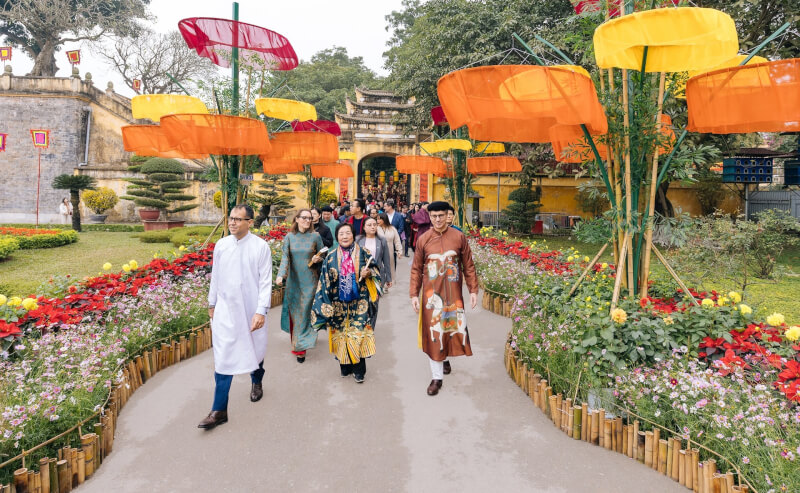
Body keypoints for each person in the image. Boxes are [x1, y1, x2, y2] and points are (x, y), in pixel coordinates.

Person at [200, 204, 272, 430]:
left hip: (251, 309)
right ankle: (219, 409)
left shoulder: (261, 247)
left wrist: (261, 310)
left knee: (255, 349)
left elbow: (265, 281)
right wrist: (212, 303)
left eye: (238, 219)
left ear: (250, 222)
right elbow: (216, 277)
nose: (232, 223)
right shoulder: (221, 245)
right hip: (225, 310)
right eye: (231, 218)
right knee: (223, 356)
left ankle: (256, 381)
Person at [409, 201, 479, 397]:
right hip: (432, 296)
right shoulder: (423, 240)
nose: (438, 219)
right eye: (434, 216)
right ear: (429, 217)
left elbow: (469, 265)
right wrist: (414, 294)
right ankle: (436, 377)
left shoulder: (459, 237)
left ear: (448, 216)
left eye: (441, 215)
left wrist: (473, 290)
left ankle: (444, 358)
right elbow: (416, 269)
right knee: (434, 331)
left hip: (454, 294)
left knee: (452, 328)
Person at [312, 223, 381, 383]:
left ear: (353, 235)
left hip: (360, 304)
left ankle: (359, 370)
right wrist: (325, 304)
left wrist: (369, 273)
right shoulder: (330, 257)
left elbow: (377, 273)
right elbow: (324, 281)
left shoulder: (365, 254)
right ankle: (345, 366)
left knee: (358, 335)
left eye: (347, 233)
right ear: (337, 237)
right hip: (338, 305)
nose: (344, 236)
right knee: (341, 336)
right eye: (341, 234)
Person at [275, 209, 325, 363]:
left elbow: (324, 254)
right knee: (295, 312)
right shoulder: (289, 237)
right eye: (304, 218)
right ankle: (298, 341)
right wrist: (280, 275)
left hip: (310, 280)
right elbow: (285, 257)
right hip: (294, 280)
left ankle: (301, 347)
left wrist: (318, 258)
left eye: (310, 218)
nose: (307, 220)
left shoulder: (316, 236)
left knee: (304, 312)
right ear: (296, 219)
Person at [377, 212, 403, 286]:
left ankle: (388, 282)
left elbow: (397, 240)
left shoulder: (392, 229)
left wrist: (399, 251)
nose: (377, 221)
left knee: (389, 267)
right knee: (380, 267)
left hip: (390, 250)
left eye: (379, 219)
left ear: (384, 219)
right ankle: (380, 283)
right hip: (379, 250)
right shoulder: (376, 229)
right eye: (377, 219)